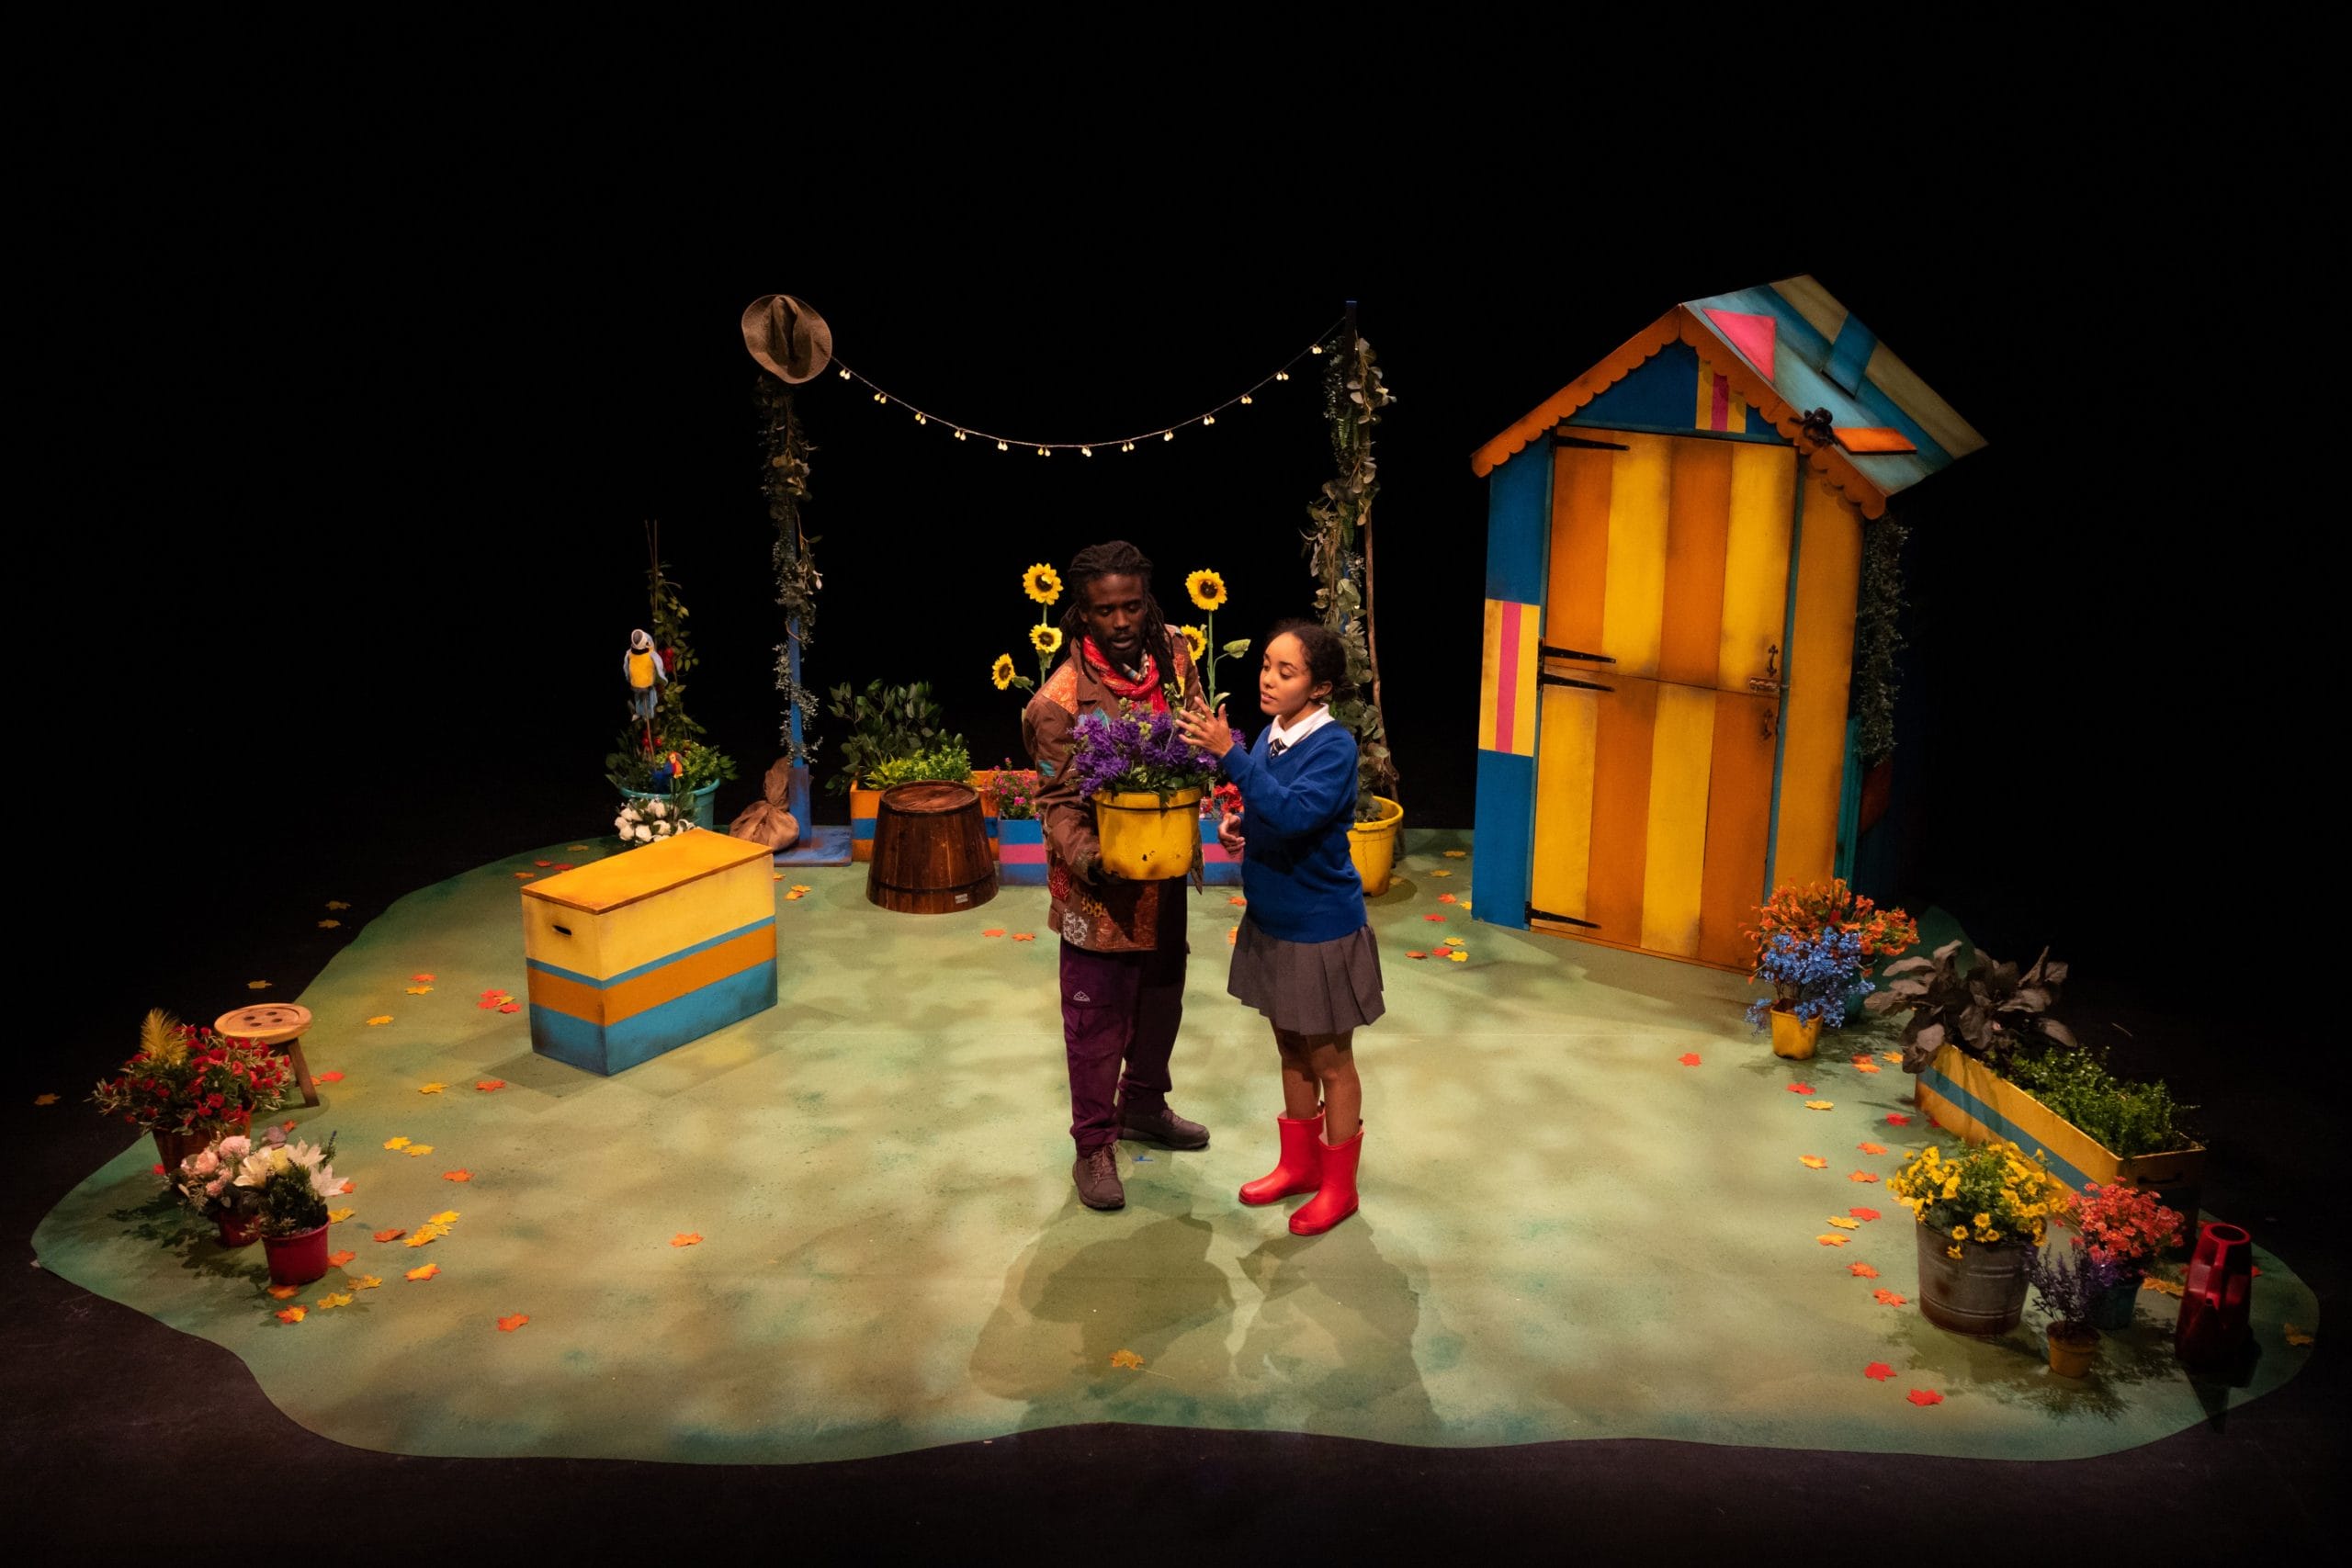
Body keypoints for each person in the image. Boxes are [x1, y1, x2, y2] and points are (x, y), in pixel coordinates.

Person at [1022, 541, 1212, 1212]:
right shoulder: (1058, 702)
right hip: (1099, 890)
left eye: (1132, 605)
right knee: (1095, 1020)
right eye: (1106, 610)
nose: (1123, 620)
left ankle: (1145, 1106)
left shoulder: (1176, 656)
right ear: (1082, 613)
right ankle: (1093, 1145)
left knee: (1162, 996)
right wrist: (1094, 859)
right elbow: (1056, 801)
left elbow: (1196, 740)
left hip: (1165, 870)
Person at [1176, 620, 1383, 1235]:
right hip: (1273, 919)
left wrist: (1229, 754)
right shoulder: (1273, 734)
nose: (1267, 678)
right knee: (1290, 1043)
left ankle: (1339, 1187)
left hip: (1320, 925)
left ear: (1319, 688)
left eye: (1285, 671)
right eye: (1266, 664)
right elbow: (1274, 808)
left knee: (1330, 1058)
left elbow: (1295, 813)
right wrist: (1243, 826)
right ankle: (1300, 1165)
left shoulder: (1333, 747)